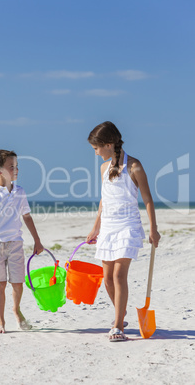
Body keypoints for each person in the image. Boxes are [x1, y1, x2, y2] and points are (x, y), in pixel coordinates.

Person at [86, 122, 160, 342]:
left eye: (96, 148)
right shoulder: (103, 168)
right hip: (108, 227)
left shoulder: (134, 166)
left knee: (119, 275)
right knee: (107, 279)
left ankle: (118, 326)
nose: (95, 152)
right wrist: (95, 227)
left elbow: (147, 199)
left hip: (128, 226)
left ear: (109, 144)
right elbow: (104, 200)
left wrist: (153, 229)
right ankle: (122, 312)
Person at [0, 149, 43, 333]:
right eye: (11, 166)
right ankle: (0, 321)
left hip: (15, 243)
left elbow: (27, 217)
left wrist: (37, 240)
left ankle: (16, 309)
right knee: (0, 284)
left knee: (18, 282)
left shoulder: (19, 192)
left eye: (16, 166)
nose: (16, 170)